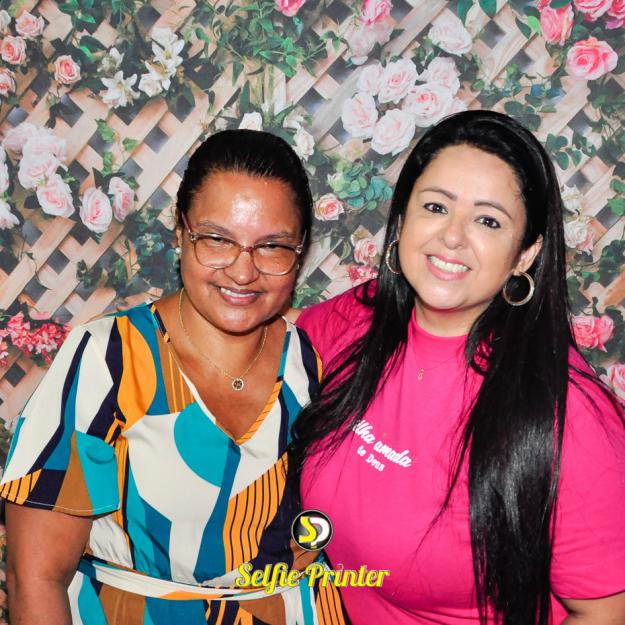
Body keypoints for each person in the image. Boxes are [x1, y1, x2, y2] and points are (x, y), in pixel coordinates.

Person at [289, 110, 625, 625]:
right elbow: (257, 337)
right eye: (436, 207)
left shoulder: (572, 418)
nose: (452, 236)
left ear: (525, 253)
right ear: (403, 218)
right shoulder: (357, 320)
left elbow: (607, 613)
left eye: (488, 220)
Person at [1, 130, 348, 625]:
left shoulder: (315, 364)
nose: (243, 271)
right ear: (181, 233)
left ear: (300, 250)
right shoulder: (108, 358)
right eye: (217, 239)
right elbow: (35, 578)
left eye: (272, 246)